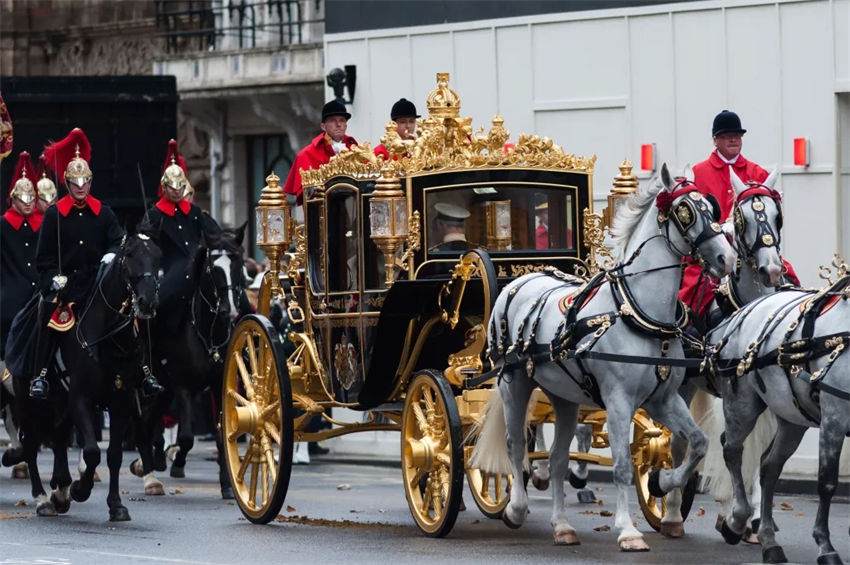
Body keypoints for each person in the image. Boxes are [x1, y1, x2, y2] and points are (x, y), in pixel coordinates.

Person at [28, 128, 161, 398]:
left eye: (84, 181)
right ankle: (40, 375)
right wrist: (53, 278)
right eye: (75, 182)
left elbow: (119, 241)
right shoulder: (54, 215)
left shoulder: (105, 213)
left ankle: (146, 372)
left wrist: (112, 253)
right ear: (67, 182)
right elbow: (43, 258)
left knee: (136, 313)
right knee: (47, 309)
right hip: (66, 284)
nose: (80, 187)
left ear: (90, 182)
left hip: (98, 280)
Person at [679, 110, 799, 318]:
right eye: (726, 136)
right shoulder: (698, 173)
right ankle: (690, 332)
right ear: (715, 140)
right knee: (694, 294)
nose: (733, 139)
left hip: (751, 249)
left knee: (790, 281)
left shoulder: (758, 173)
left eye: (737, 135)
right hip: (713, 253)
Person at [138, 139, 222, 335]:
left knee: (235, 298)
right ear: (164, 187)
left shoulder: (194, 212)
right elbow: (145, 246)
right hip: (169, 270)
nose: (176, 190)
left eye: (179, 186)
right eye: (172, 186)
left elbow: (215, 234)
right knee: (156, 306)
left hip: (199, 269)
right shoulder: (155, 215)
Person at [1, 152, 41, 360]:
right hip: (11, 296)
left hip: (39, 294)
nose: (28, 203)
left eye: (32, 198)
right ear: (14, 199)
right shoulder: (3, 226)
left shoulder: (41, 226)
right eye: (24, 198)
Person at [283, 100, 357, 203]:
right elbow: (305, 195)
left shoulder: (356, 150)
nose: (338, 124)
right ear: (323, 126)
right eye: (332, 120)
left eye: (342, 120)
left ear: (346, 125)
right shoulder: (306, 154)